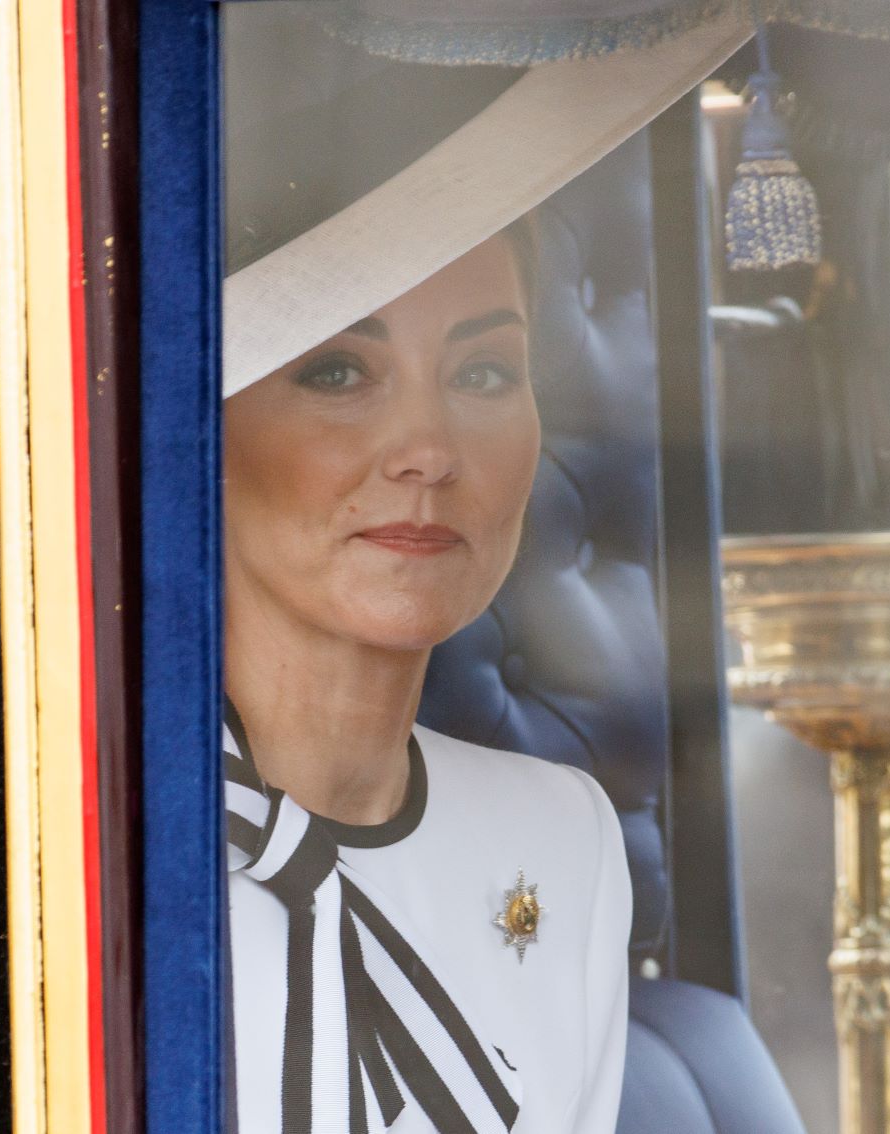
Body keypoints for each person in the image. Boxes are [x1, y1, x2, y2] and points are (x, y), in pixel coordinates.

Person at [221, 229, 631, 1133]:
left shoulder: (565, 837)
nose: (428, 451)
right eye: (336, 373)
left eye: (483, 375)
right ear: (200, 429)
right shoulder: (34, 839)